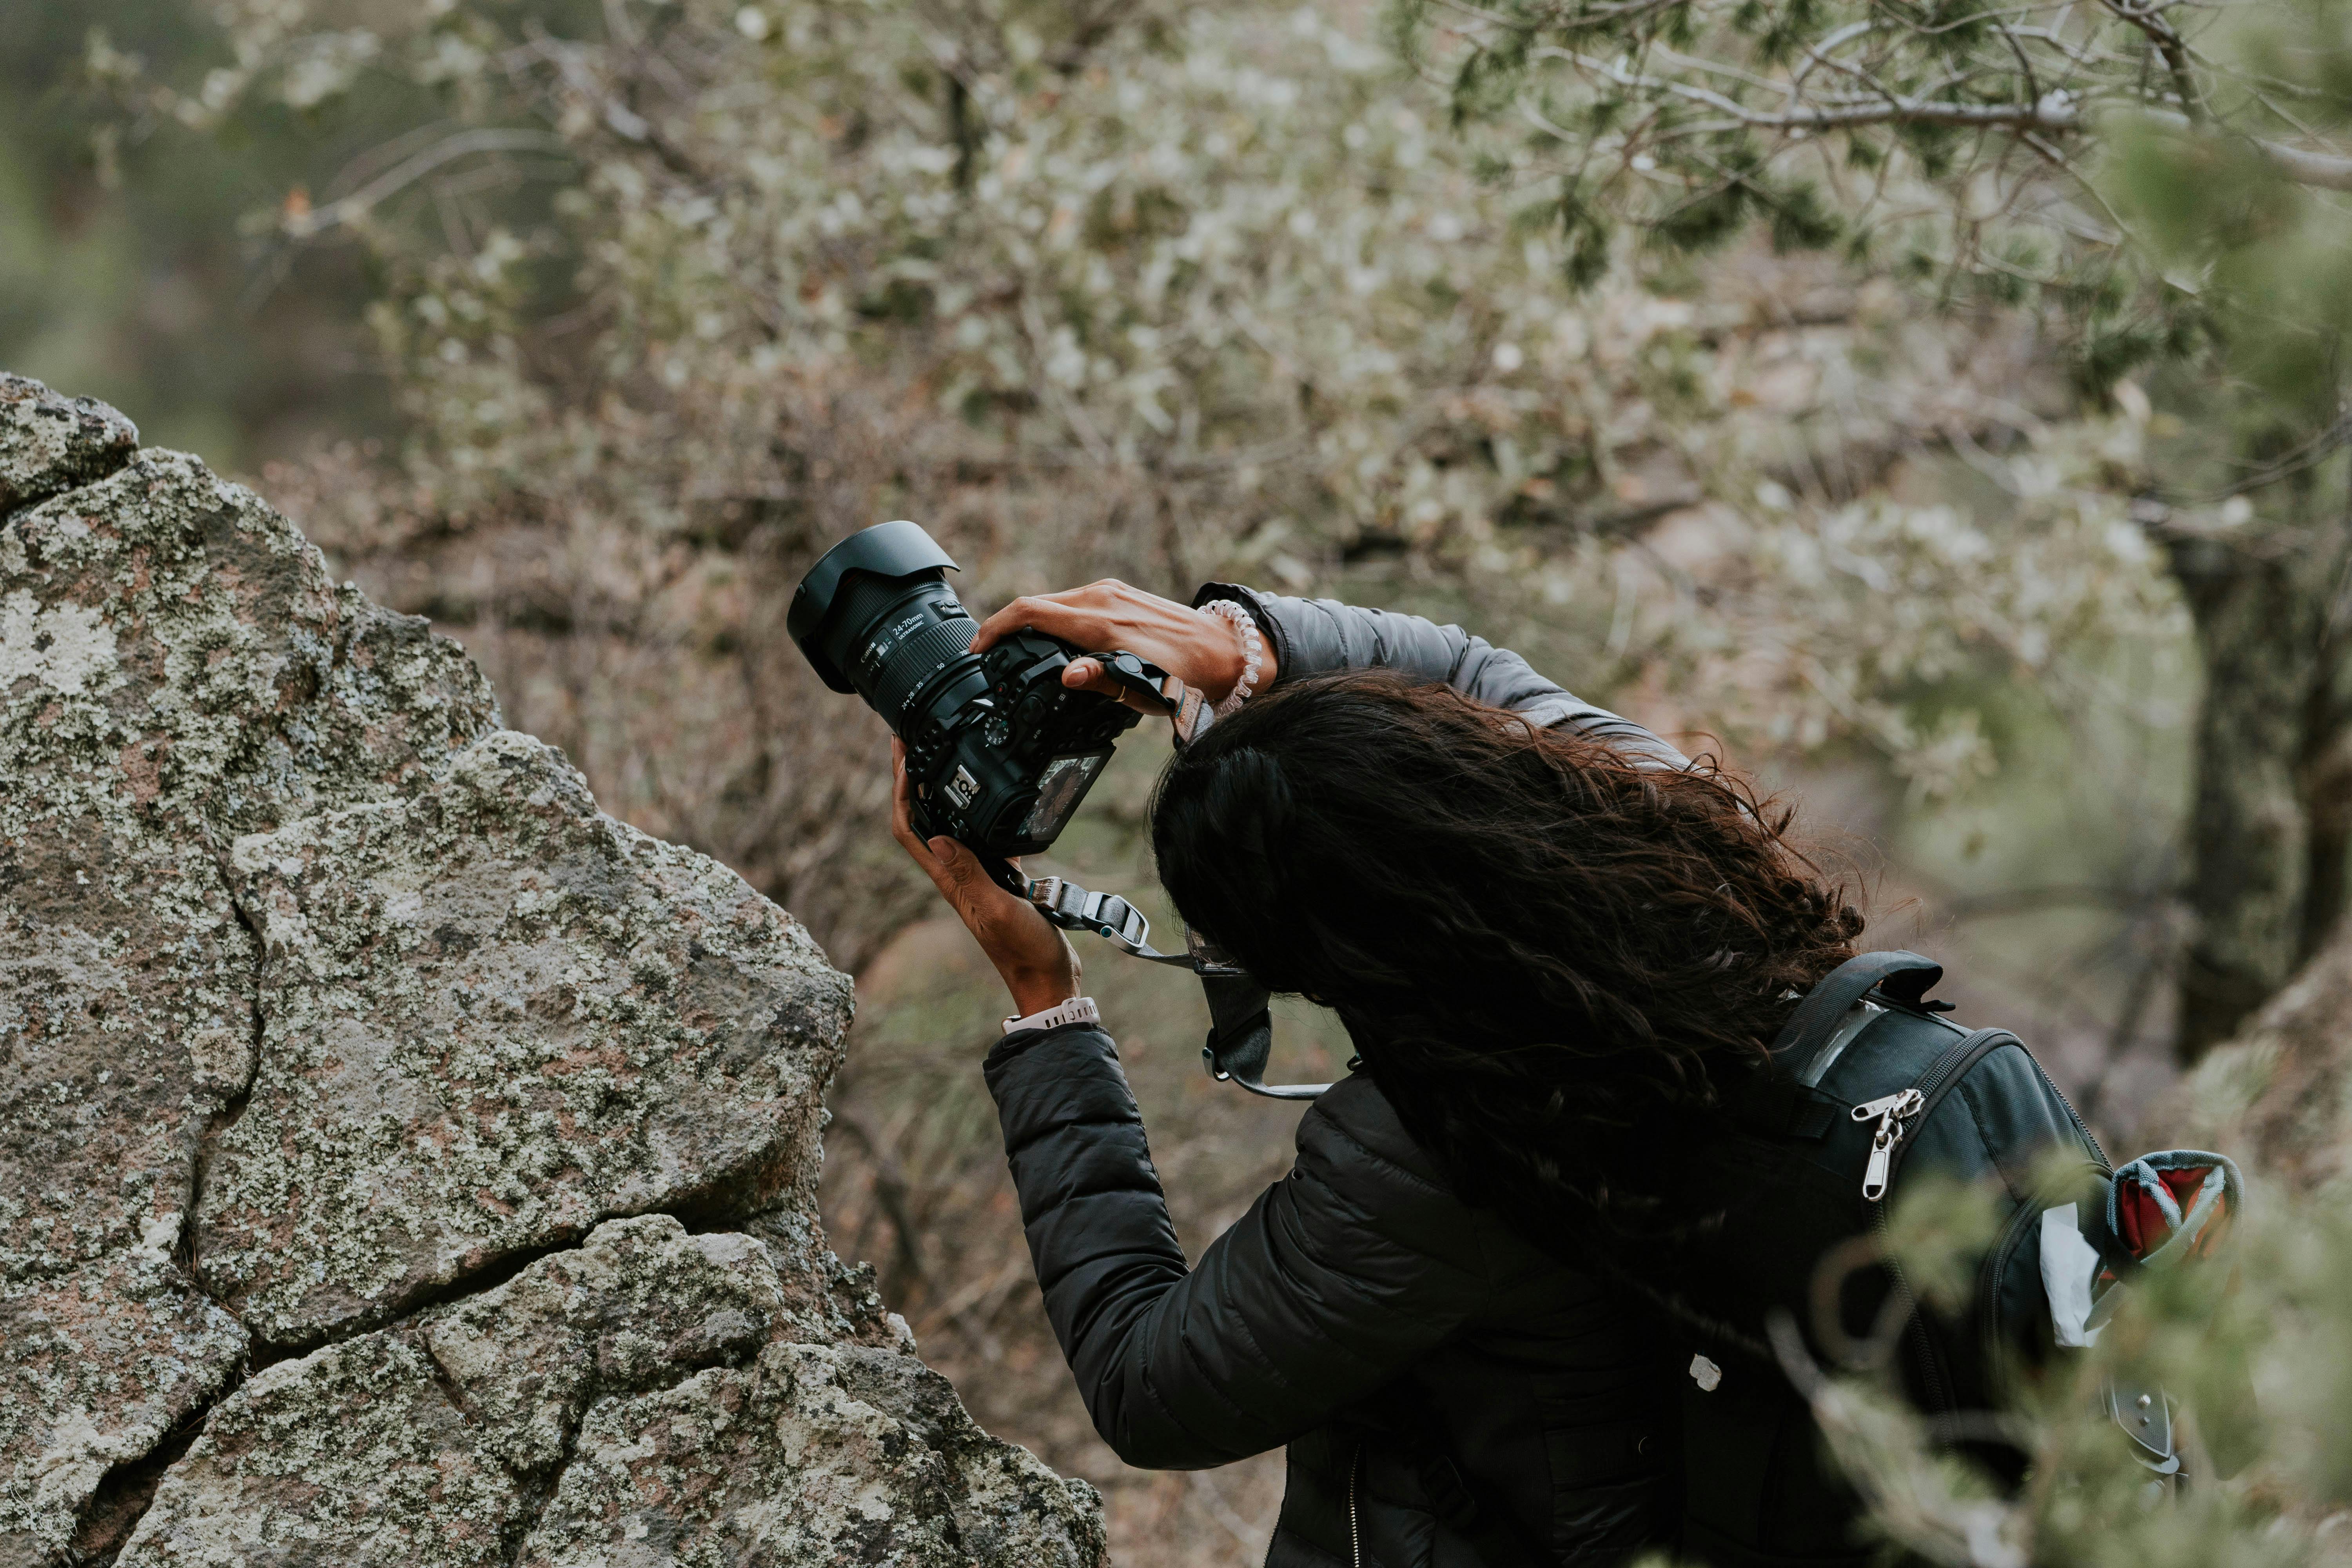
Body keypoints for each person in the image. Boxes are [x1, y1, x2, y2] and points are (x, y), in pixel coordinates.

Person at [887, 579, 1868, 1568]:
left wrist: (1044, 998)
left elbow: (1148, 1385)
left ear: (1317, 968)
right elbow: (1479, 678)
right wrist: (1250, 653)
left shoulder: (1438, 1156)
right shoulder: (1692, 862)